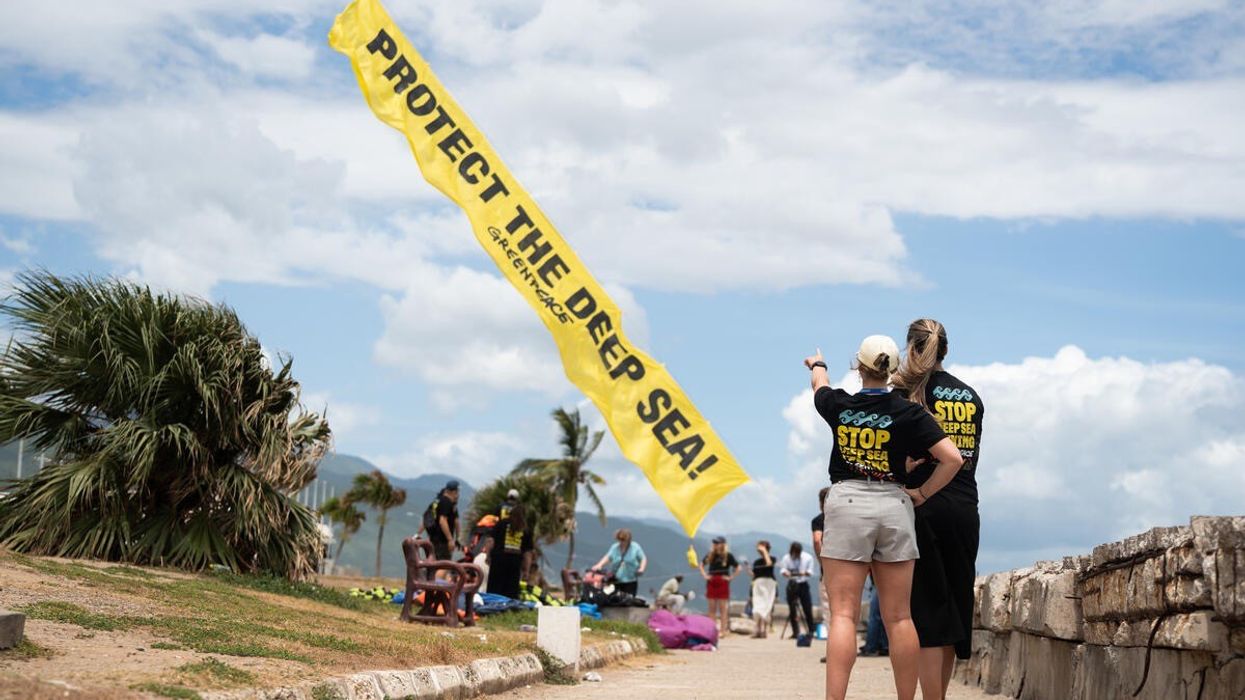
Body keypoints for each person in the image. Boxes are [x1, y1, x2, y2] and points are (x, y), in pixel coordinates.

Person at [805, 335, 964, 700]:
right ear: (893, 370)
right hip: (894, 505)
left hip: (847, 502)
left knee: (843, 615)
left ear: (858, 367)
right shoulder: (910, 412)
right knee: (900, 618)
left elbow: (820, 386)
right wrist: (923, 493)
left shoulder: (840, 405)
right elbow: (952, 458)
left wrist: (818, 365)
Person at [891, 319, 985, 700]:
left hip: (923, 505)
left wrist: (922, 490)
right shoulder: (971, 396)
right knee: (953, 612)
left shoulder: (905, 393)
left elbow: (897, 454)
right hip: (965, 508)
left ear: (911, 349)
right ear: (946, 349)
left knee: (927, 614)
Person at [486, 500, 534, 600]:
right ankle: (507, 610)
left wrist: (488, 555)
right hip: (514, 563)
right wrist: (526, 570)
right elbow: (527, 553)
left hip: (498, 560)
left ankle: (491, 608)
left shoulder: (501, 524)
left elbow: (490, 541)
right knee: (510, 592)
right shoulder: (526, 530)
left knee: (494, 589)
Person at [699, 536, 739, 636]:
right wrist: (705, 575)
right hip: (712, 580)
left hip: (723, 580)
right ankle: (712, 629)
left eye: (717, 543)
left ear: (723, 544)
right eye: (714, 543)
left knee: (723, 608)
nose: (715, 545)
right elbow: (701, 565)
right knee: (711, 608)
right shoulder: (710, 555)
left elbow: (738, 567)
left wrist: (731, 577)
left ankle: (723, 630)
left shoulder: (728, 556)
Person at [592, 528, 647, 596]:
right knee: (613, 599)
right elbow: (608, 557)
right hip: (616, 579)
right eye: (619, 540)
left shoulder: (635, 547)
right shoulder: (615, 547)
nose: (621, 542)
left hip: (630, 580)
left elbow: (643, 558)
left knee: (628, 600)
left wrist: (641, 569)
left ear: (628, 540)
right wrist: (599, 565)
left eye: (623, 540)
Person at [779, 542, 816, 641]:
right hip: (792, 584)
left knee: (807, 608)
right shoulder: (787, 558)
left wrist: (802, 573)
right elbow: (783, 570)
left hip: (803, 584)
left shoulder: (807, 557)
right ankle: (795, 631)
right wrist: (787, 573)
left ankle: (811, 631)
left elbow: (810, 572)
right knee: (792, 609)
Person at [424, 481, 460, 568]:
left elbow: (426, 518)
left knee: (433, 564)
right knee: (444, 566)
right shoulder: (447, 502)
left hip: (434, 539)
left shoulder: (436, 502)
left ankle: (429, 580)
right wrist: (450, 539)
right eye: (457, 492)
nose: (458, 494)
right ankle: (436, 582)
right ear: (454, 492)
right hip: (442, 541)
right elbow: (442, 521)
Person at [749, 541, 777, 638]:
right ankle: (757, 628)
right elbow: (755, 575)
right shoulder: (757, 562)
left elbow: (769, 564)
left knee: (767, 606)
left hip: (768, 585)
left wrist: (765, 551)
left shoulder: (772, 558)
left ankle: (764, 630)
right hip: (758, 584)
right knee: (757, 606)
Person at [860, 575, 889, 656]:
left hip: (877, 581)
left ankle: (871, 647)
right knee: (896, 619)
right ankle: (884, 645)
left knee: (874, 617)